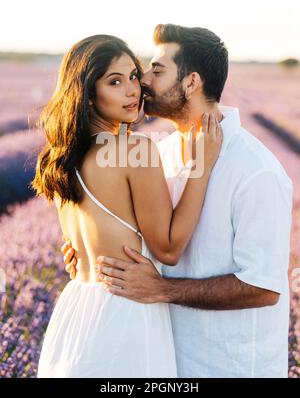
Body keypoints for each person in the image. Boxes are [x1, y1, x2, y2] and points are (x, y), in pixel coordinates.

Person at [65, 24, 293, 378]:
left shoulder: (255, 171)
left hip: (227, 366)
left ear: (191, 82)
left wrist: (163, 289)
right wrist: (95, 253)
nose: (142, 83)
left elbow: (263, 287)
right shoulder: (160, 153)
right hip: (158, 357)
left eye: (155, 71)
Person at [32, 34, 222, 378]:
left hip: (74, 316)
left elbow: (82, 254)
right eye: (115, 81)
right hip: (123, 318)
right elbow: (168, 248)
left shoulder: (59, 161)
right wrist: (202, 166)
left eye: (133, 76)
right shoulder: (135, 150)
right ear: (88, 93)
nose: (133, 90)